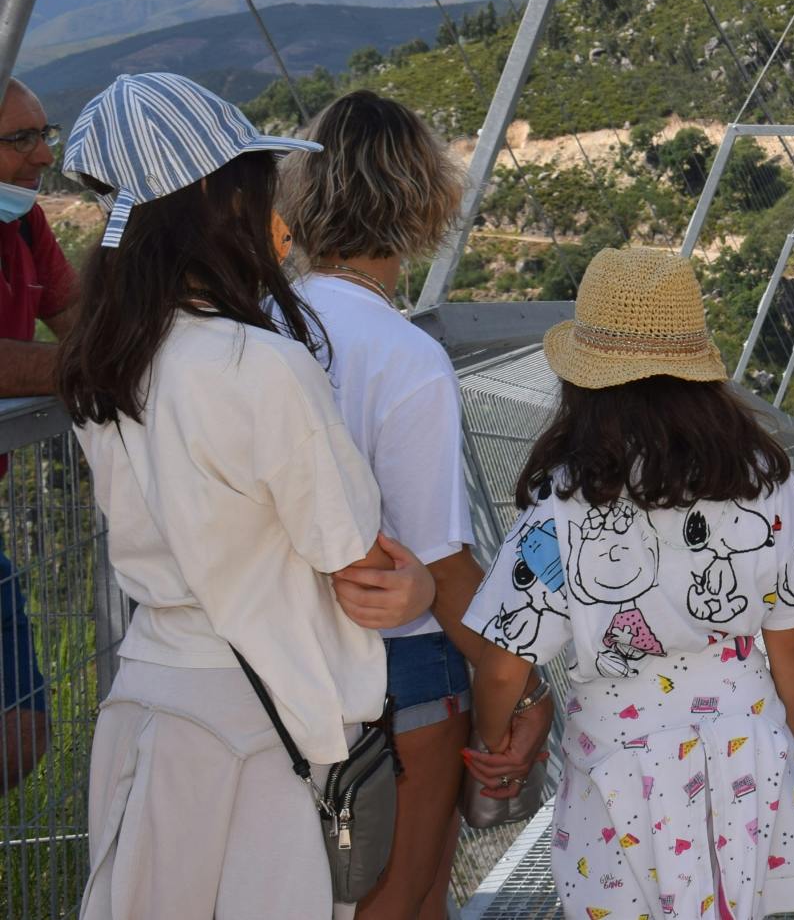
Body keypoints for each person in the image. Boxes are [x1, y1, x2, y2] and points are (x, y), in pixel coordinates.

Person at [56, 72, 436, 920]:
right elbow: (353, 560)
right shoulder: (257, 365)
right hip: (258, 728)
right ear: (222, 199)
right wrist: (418, 589)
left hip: (149, 701)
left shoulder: (108, 359)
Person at [462, 246, 794, 920]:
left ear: (582, 381)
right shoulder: (763, 477)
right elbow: (790, 643)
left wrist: (498, 741)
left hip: (621, 765)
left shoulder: (564, 500)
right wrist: (790, 736)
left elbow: (503, 666)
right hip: (746, 745)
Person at [279, 89, 552, 920]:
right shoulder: (407, 357)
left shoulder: (252, 330)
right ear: (418, 201)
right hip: (403, 677)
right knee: (407, 903)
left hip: (274, 665)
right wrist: (522, 686)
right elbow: (440, 560)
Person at [0, 76, 78, 790]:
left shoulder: (24, 223)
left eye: (44, 133)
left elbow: (83, 320)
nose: (42, 154)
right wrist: (91, 368)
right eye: (20, 138)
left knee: (22, 730)